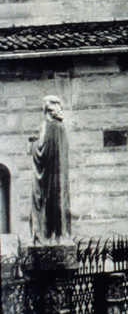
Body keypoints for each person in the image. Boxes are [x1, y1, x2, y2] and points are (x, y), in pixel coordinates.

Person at [30, 95, 71, 244]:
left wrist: (33, 145)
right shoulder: (59, 127)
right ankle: (57, 236)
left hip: (49, 179)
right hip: (57, 177)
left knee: (49, 203)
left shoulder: (51, 126)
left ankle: (49, 236)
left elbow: (42, 150)